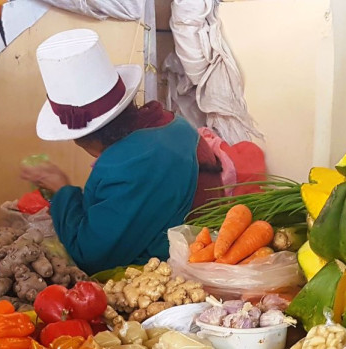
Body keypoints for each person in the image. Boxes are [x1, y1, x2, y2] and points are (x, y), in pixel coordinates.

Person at [20, 29, 217, 275]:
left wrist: (63, 191)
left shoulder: (128, 166)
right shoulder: (170, 122)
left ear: (83, 139)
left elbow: (92, 255)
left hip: (184, 266)